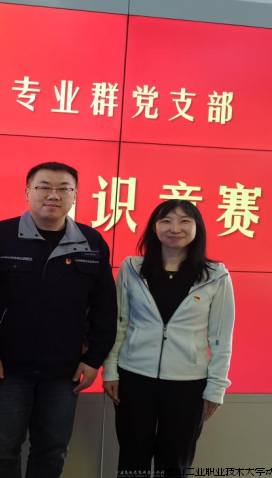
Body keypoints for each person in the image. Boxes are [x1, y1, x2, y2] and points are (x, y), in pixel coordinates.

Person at [0, 161, 118, 478]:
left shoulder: (92, 242)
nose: (53, 194)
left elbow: (104, 307)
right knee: (1, 452)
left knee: (52, 451)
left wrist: (93, 360)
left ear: (75, 195)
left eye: (64, 188)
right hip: (6, 369)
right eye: (44, 187)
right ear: (27, 192)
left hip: (65, 371)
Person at [102, 199, 235, 477]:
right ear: (154, 227)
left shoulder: (215, 276)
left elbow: (221, 338)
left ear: (197, 228)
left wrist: (216, 388)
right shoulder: (132, 268)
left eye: (185, 221)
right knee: (132, 458)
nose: (175, 228)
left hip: (188, 384)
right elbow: (118, 323)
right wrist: (110, 371)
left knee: (175, 462)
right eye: (166, 221)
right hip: (134, 378)